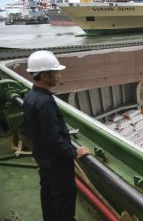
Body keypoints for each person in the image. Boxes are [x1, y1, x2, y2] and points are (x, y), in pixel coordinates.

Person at [22, 50, 90, 221]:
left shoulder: (31, 97)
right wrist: (75, 153)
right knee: (64, 206)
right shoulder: (44, 103)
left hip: (43, 160)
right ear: (45, 75)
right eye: (56, 72)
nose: (59, 75)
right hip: (57, 165)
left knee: (48, 199)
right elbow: (53, 139)